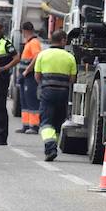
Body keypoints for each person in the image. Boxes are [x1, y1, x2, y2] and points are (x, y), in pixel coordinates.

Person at [34, 30, 77, 161]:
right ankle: (53, 147)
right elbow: (72, 79)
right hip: (63, 93)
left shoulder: (43, 55)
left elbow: (37, 76)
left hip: (47, 92)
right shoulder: (70, 57)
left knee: (46, 121)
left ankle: (50, 146)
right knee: (58, 122)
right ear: (63, 40)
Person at [16, 22, 42, 134]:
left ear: (25, 31)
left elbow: (37, 56)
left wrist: (27, 70)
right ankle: (26, 125)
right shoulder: (28, 43)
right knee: (24, 100)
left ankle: (34, 126)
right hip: (25, 76)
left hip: (30, 76)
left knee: (31, 100)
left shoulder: (34, 42)